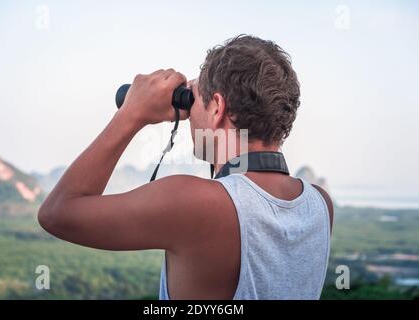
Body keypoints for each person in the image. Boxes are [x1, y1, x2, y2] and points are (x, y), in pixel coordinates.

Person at [38, 34, 334, 300]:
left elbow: (58, 213)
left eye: (195, 99)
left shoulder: (198, 202)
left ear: (217, 108)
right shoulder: (320, 204)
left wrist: (131, 114)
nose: (190, 114)